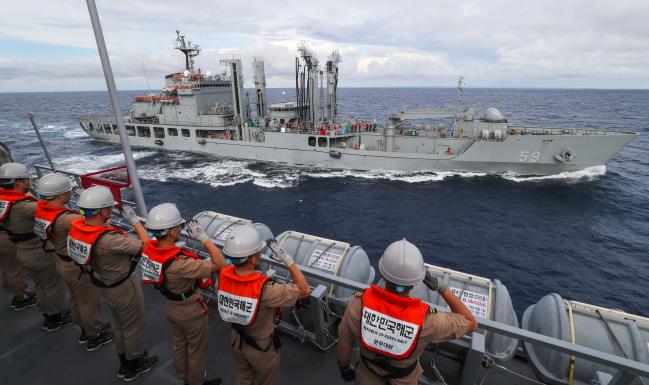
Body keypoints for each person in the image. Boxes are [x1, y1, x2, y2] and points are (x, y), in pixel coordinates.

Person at [337, 239, 478, 385]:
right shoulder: (429, 321)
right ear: (417, 281)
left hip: (366, 377)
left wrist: (344, 367)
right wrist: (441, 287)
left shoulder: (357, 304)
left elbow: (344, 345)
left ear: (383, 275)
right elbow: (470, 322)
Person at [67, 185, 157, 381]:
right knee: (133, 325)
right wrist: (135, 221)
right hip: (123, 286)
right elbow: (148, 247)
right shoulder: (110, 240)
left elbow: (96, 226)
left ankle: (123, 360)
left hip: (104, 284)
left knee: (119, 323)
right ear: (104, 211)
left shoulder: (77, 228)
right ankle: (134, 364)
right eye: (109, 208)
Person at [140, 203, 227, 385]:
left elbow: (145, 240)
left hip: (171, 306)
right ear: (172, 232)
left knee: (179, 345)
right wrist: (204, 237)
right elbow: (221, 264)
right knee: (196, 349)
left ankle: (184, 380)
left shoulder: (151, 250)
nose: (180, 229)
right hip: (190, 310)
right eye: (178, 227)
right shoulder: (181, 263)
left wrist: (134, 221)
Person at [217, 225, 310, 385]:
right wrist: (288, 260)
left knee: (244, 379)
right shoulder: (265, 290)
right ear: (253, 259)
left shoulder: (222, 279)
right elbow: (304, 289)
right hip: (261, 347)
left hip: (237, 341)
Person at [34, 173, 112, 350]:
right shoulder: (69, 219)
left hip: (60, 261)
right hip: (76, 266)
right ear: (62, 195)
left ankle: (85, 329)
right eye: (68, 191)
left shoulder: (42, 210)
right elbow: (97, 225)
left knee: (77, 300)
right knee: (89, 302)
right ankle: (94, 335)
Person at [0, 162, 68, 329]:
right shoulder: (25, 206)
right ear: (19, 183)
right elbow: (54, 211)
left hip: (22, 250)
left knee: (40, 284)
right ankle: (54, 318)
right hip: (38, 251)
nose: (28, 183)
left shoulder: (5, 200)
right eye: (26, 180)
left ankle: (47, 313)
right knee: (51, 285)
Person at [0, 230, 35, 310]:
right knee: (15, 270)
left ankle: (17, 295)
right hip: (3, 237)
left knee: (5, 268)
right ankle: (21, 298)